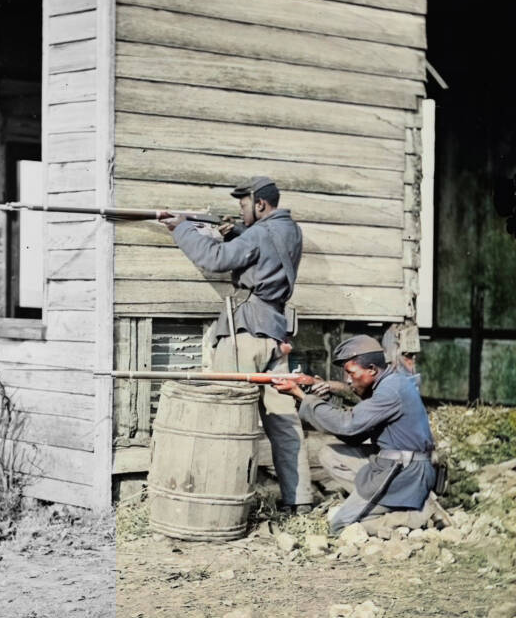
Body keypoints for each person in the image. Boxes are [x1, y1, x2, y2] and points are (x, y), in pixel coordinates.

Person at [162, 176, 313, 514]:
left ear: (260, 204)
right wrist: (237, 233)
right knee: (283, 420)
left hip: (244, 334)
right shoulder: (289, 230)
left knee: (227, 418)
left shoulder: (259, 232)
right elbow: (265, 253)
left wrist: (182, 228)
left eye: (244, 205)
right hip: (275, 335)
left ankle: (222, 503)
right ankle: (299, 500)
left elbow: (215, 259)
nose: (241, 210)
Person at [273, 334, 437, 533]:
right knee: (329, 453)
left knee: (339, 525)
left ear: (372, 370)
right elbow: (355, 435)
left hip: (404, 472)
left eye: (351, 373)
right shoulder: (390, 384)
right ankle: (390, 502)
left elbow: (347, 425)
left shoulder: (390, 391)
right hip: (396, 465)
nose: (347, 380)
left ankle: (413, 515)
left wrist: (302, 396)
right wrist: (321, 399)